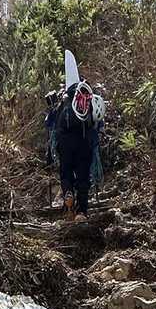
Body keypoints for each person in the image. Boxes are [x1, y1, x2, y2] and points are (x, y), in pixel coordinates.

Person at [54, 80, 98, 222]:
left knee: (66, 173)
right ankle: (81, 212)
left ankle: (68, 192)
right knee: (83, 178)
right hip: (84, 144)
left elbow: (52, 124)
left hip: (65, 144)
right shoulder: (89, 100)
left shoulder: (64, 101)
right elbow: (97, 124)